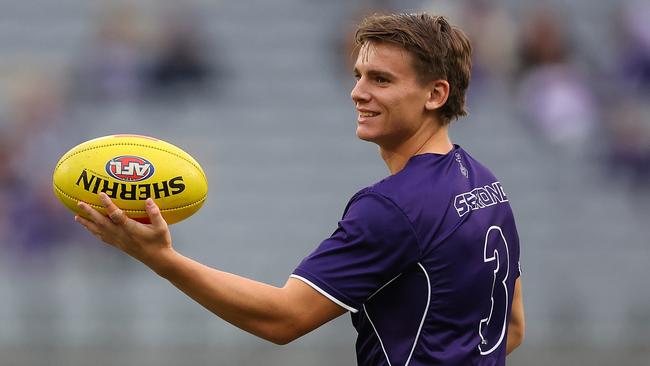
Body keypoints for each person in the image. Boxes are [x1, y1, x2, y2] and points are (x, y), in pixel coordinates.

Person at [75, 13, 525, 365]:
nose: (357, 92)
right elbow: (512, 330)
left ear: (436, 94)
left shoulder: (392, 207)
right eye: (358, 75)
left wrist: (162, 260)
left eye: (381, 80)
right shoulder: (487, 184)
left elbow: (284, 317)